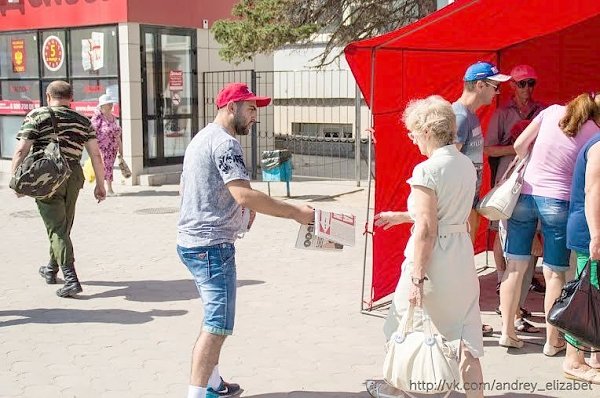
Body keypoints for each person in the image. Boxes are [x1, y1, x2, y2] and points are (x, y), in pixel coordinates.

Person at [177, 82, 314, 398]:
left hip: (192, 242)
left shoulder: (201, 138)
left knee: (214, 320)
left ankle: (212, 382)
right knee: (217, 326)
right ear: (231, 107)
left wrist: (238, 209)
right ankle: (198, 394)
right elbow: (243, 194)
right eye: (251, 109)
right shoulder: (225, 144)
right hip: (212, 247)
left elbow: (187, 189)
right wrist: (296, 212)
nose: (255, 117)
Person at [367, 96, 484, 398]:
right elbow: (446, 213)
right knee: (467, 341)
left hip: (434, 262)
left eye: (414, 132)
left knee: (403, 327)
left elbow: (427, 228)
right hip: (461, 256)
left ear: (428, 131)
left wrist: (417, 277)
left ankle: (400, 388)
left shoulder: (426, 170)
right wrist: (402, 216)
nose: (413, 139)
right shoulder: (465, 164)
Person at [500, 93, 600, 351]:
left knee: (514, 266)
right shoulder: (592, 130)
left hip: (526, 195)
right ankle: (552, 341)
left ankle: (507, 332)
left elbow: (520, 145)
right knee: (554, 272)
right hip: (559, 200)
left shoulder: (550, 111)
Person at [10, 80, 106, 297]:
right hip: (73, 176)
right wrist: (100, 184)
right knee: (63, 225)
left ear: (48, 95)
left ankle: (71, 278)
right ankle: (51, 269)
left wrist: (17, 180)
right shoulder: (82, 120)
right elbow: (95, 155)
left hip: (47, 175)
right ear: (71, 98)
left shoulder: (37, 116)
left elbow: (21, 150)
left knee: (57, 228)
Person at [484, 64, 546, 334]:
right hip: (508, 181)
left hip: (534, 181)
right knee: (502, 234)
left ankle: (513, 300)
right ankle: (504, 287)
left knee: (529, 240)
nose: (527, 89)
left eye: (531, 83)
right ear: (512, 86)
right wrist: (518, 146)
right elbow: (488, 148)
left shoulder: (542, 111)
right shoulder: (501, 113)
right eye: (522, 84)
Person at [454, 60, 511, 337]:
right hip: (461, 207)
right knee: (459, 268)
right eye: (494, 86)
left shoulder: (471, 116)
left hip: (470, 204)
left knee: (464, 268)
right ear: (479, 85)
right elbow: (448, 163)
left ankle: (467, 322)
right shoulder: (461, 117)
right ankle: (461, 324)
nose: (496, 92)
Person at [563, 129, 600, 383]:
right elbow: (593, 193)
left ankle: (595, 356)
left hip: (592, 230)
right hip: (590, 231)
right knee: (587, 295)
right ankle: (573, 360)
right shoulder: (598, 148)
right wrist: (596, 237)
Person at [91, 94, 123, 196]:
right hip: (102, 148)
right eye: (108, 104)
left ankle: (105, 188)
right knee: (107, 167)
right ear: (102, 106)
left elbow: (117, 134)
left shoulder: (113, 117)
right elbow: (92, 132)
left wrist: (120, 147)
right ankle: (109, 189)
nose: (110, 105)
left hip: (112, 148)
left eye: (111, 103)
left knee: (108, 167)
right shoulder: (98, 118)